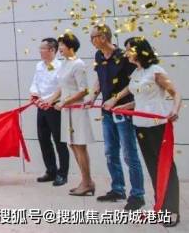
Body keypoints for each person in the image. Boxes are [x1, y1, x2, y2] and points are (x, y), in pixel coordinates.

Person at [104, 37, 181, 227]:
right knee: (153, 167)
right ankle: (161, 206)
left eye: (129, 49)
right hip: (140, 125)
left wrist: (175, 110)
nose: (126, 53)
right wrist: (121, 105)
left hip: (157, 125)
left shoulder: (156, 71)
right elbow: (139, 99)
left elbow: (175, 92)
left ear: (139, 51)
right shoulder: (137, 72)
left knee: (166, 166)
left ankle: (172, 211)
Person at [85, 24, 145, 209]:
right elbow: (99, 78)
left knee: (129, 154)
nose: (91, 40)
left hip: (123, 111)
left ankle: (137, 195)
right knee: (110, 152)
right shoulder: (99, 56)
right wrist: (93, 95)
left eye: (93, 37)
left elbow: (133, 84)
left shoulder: (123, 57)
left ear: (103, 37)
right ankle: (118, 189)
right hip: (107, 112)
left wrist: (115, 99)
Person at [43, 33, 95, 196]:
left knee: (80, 146)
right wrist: (50, 100)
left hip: (77, 111)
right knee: (72, 145)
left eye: (62, 45)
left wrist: (64, 102)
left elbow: (84, 90)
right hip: (67, 111)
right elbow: (61, 87)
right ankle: (86, 181)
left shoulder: (78, 64)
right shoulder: (65, 63)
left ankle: (87, 182)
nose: (60, 48)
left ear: (71, 46)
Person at [29, 38, 68, 186]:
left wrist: (49, 100)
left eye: (43, 48)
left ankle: (62, 174)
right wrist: (34, 94)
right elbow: (35, 82)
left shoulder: (60, 66)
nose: (40, 51)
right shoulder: (39, 65)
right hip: (41, 106)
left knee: (59, 141)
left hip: (54, 106)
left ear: (52, 50)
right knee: (43, 139)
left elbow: (61, 87)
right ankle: (51, 171)